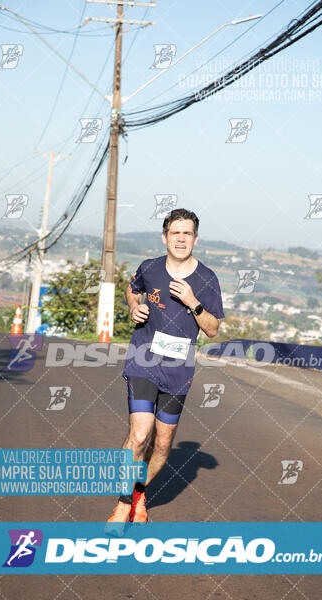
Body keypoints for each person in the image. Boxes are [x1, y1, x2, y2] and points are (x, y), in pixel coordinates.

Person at [105, 208, 225, 532]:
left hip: (178, 370)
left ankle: (140, 492)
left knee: (161, 444)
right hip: (143, 359)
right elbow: (132, 288)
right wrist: (134, 306)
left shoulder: (207, 279)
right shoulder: (150, 268)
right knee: (140, 433)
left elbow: (212, 329)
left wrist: (193, 302)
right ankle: (123, 503)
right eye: (176, 233)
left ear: (195, 239)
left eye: (187, 233)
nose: (181, 238)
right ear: (165, 237)